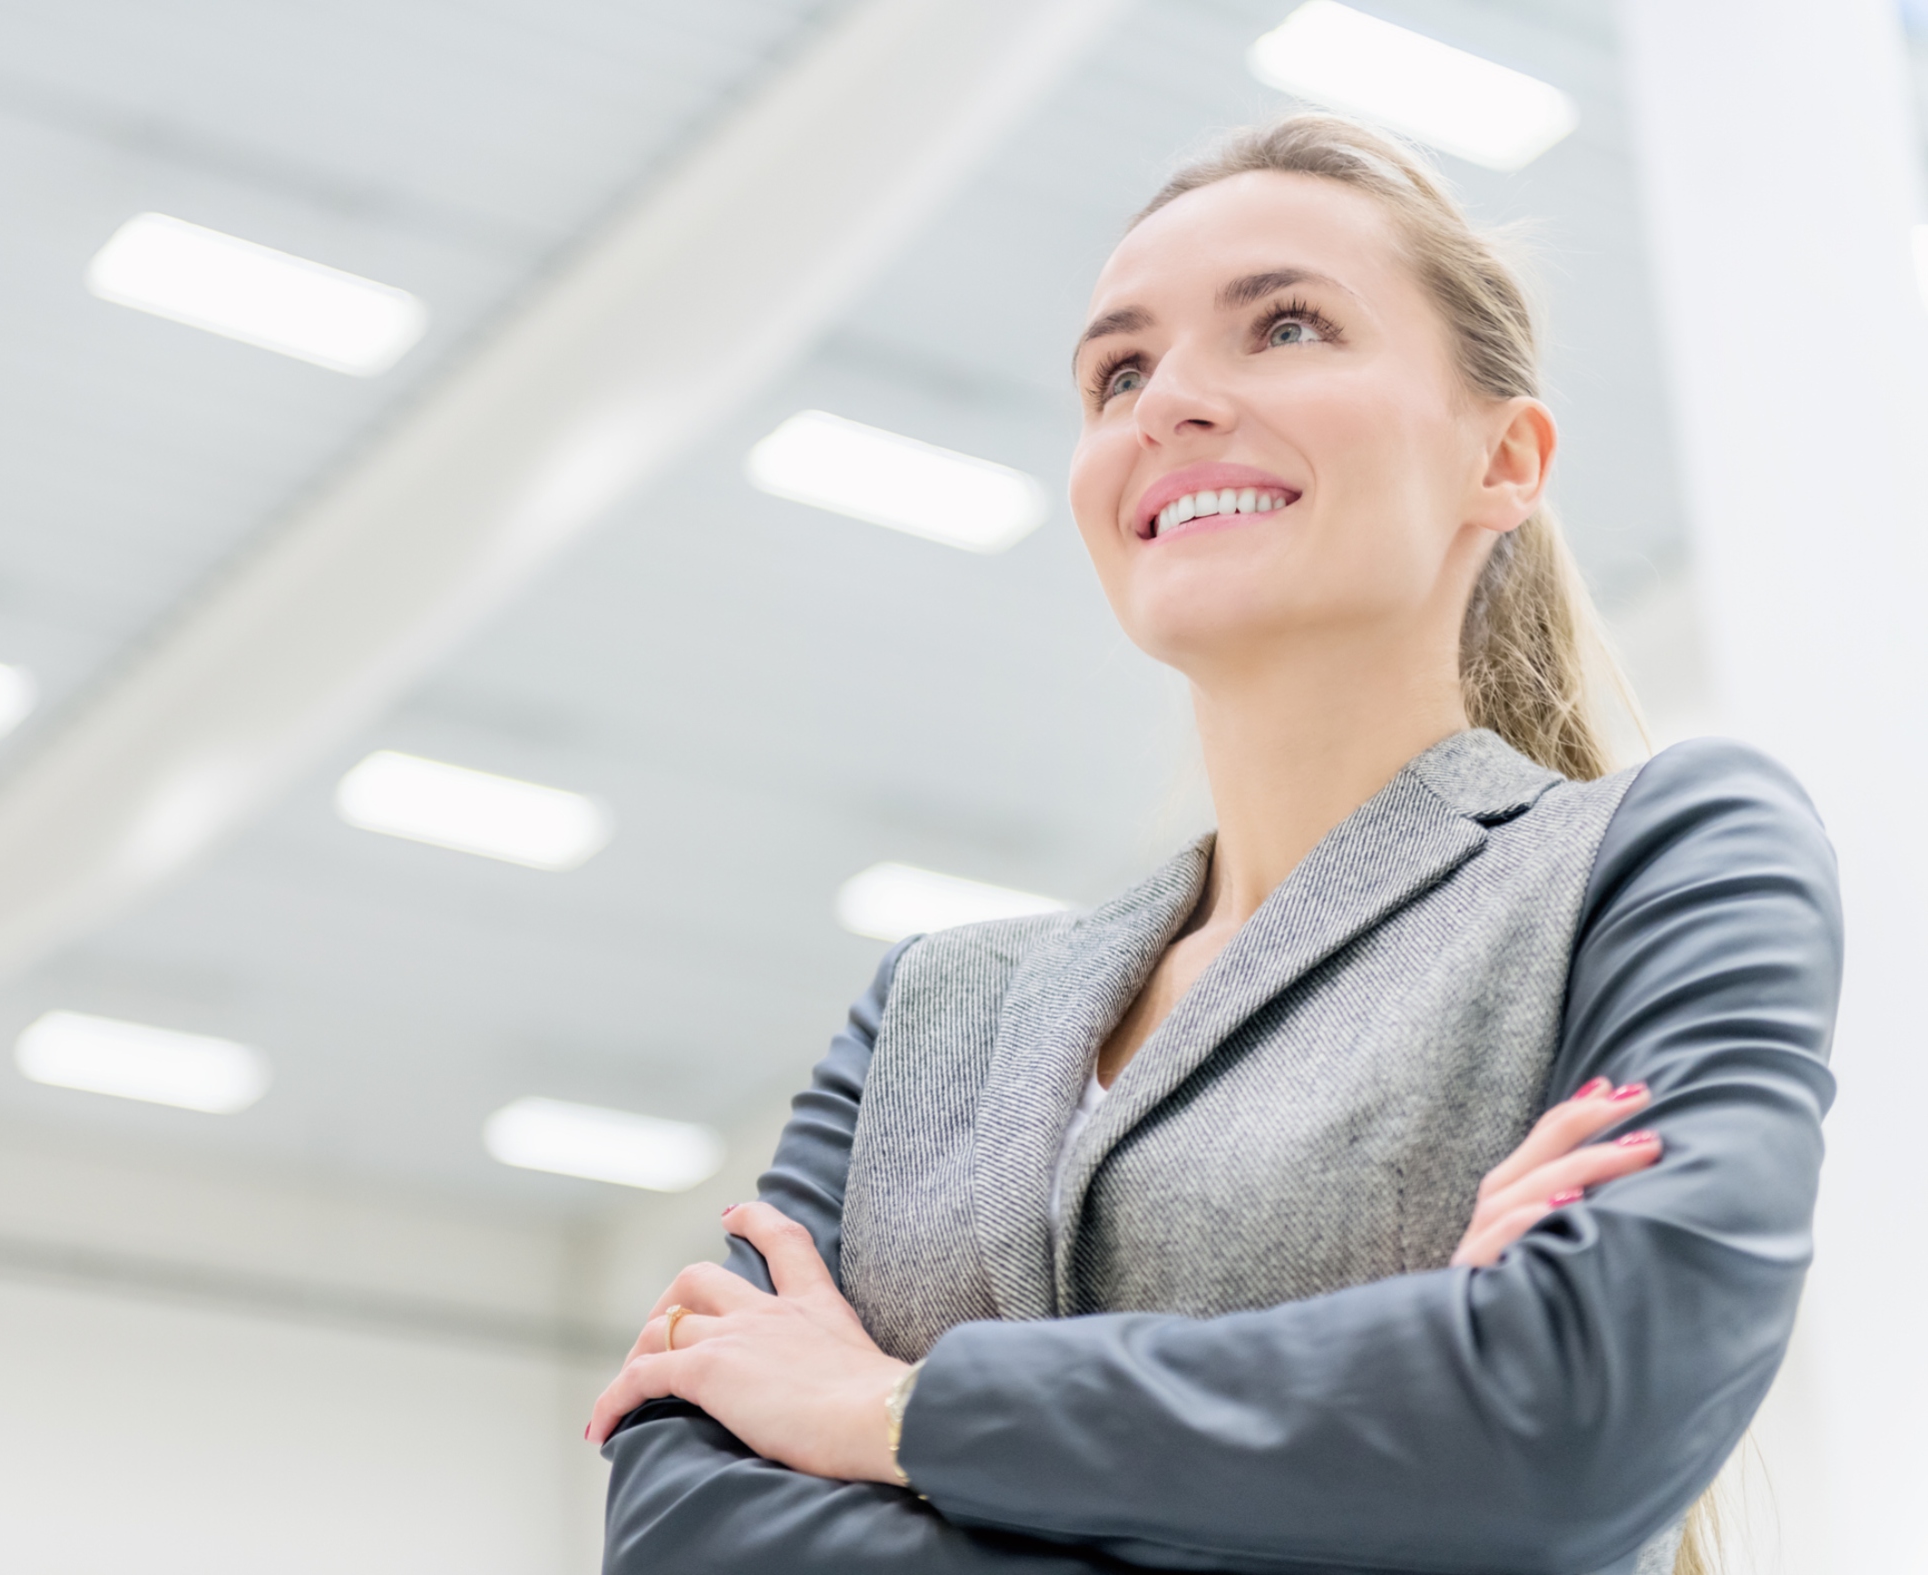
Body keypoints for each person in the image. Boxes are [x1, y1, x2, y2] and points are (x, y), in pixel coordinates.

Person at [585, 115, 1841, 1575]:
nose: (1168, 401)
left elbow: (1567, 1414)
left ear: (1505, 457)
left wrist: (894, 1414)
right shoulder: (930, 1010)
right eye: (1119, 370)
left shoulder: (1660, 860)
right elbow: (685, 1527)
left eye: (1287, 326)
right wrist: (1387, 1433)